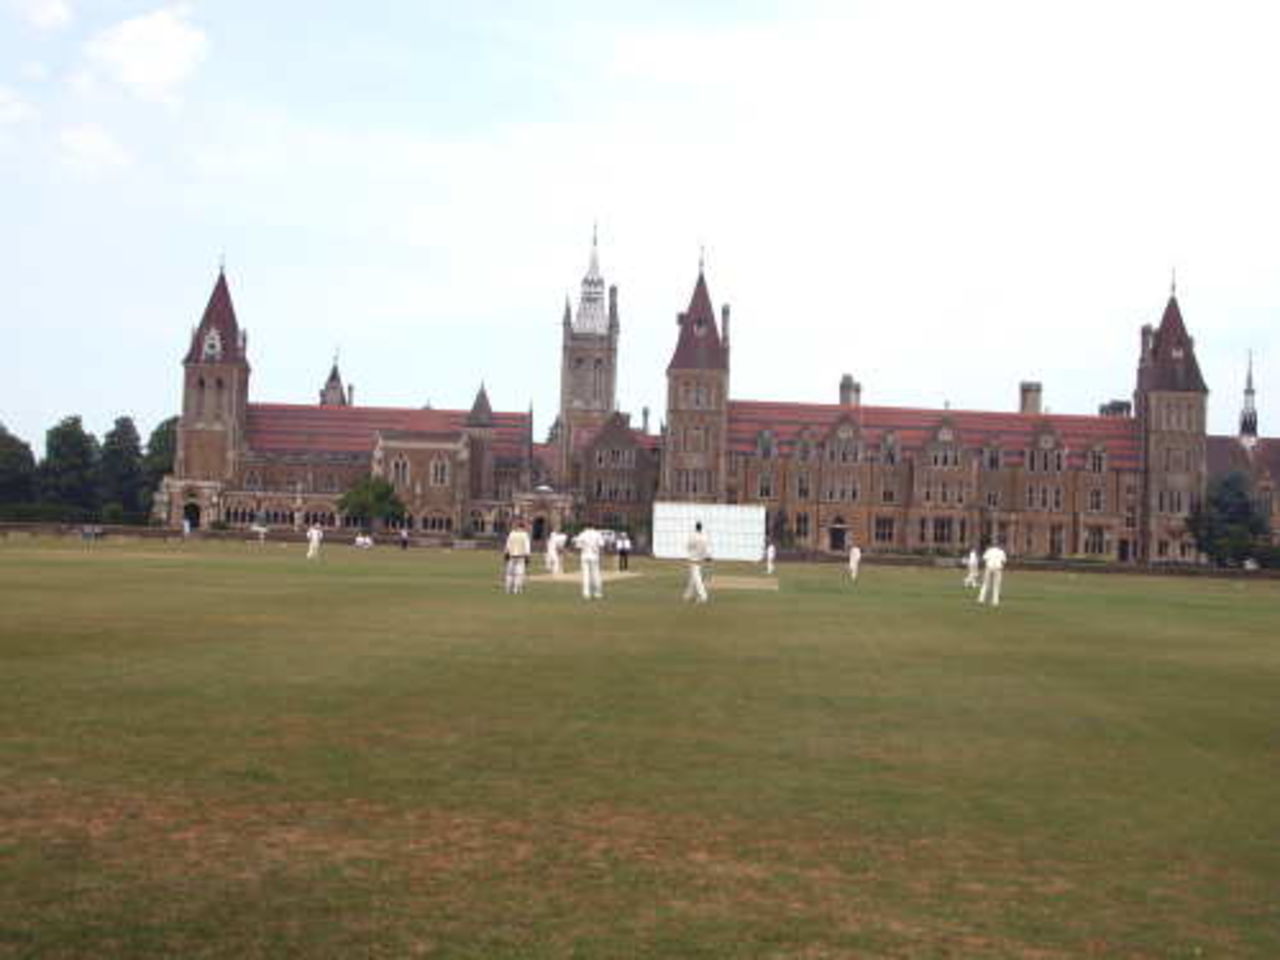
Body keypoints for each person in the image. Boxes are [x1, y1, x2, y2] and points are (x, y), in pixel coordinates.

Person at [683, 521, 711, 603]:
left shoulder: (693, 536)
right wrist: (707, 557)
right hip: (699, 560)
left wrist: (692, 552)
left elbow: (688, 546)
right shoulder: (704, 537)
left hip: (693, 560)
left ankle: (703, 596)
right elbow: (705, 549)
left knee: (697, 579)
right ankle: (687, 595)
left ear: (696, 527)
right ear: (701, 528)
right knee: (692, 578)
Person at [575, 525, 605, 599]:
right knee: (596, 574)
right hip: (594, 555)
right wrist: (600, 554)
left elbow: (578, 546)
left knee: (586, 575)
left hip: (585, 555)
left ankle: (586, 593)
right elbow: (601, 545)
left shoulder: (582, 534)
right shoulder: (597, 534)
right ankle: (597, 593)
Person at [504, 519, 532, 594]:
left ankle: (507, 588)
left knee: (509, 573)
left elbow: (507, 545)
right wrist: (528, 556)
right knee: (519, 573)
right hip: (520, 556)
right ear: (523, 527)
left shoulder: (511, 534)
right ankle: (516, 589)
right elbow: (527, 547)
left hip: (511, 555)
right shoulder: (524, 535)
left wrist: (506, 554)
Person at [978, 541, 1008, 606]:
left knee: (985, 584)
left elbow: (984, 558)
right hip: (997, 568)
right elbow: (1004, 561)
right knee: (996, 585)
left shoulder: (989, 551)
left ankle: (981, 599)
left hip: (989, 567)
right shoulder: (1001, 552)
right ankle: (995, 601)